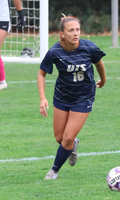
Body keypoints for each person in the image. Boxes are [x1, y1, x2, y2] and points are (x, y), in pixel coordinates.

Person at [37, 15, 107, 180]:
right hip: (62, 96)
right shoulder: (54, 52)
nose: (75, 33)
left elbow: (99, 63)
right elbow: (41, 74)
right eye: (71, 30)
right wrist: (42, 98)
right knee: (60, 138)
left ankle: (53, 171)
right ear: (62, 34)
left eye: (77, 30)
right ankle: (73, 145)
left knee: (67, 138)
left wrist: (103, 80)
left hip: (83, 97)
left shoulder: (89, 47)